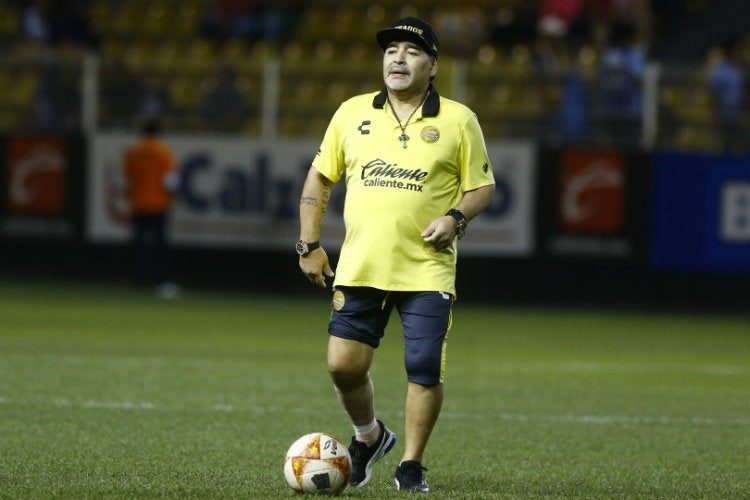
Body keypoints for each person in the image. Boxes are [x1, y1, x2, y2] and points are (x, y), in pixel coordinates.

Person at [297, 17, 495, 493]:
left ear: (433, 65)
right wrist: (308, 244)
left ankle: (410, 464)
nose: (398, 58)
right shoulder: (351, 113)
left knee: (424, 367)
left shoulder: (458, 120)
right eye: (391, 50)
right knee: (343, 366)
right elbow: (320, 179)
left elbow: (482, 186)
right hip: (362, 264)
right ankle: (370, 436)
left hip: (427, 270)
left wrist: (455, 219)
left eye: (411, 50)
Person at [123, 119, 179, 297]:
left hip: (138, 203)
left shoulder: (133, 151)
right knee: (160, 245)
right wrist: (173, 197)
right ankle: (161, 281)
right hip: (158, 204)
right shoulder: (162, 150)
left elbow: (128, 177)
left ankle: (138, 281)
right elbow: (170, 181)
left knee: (139, 244)